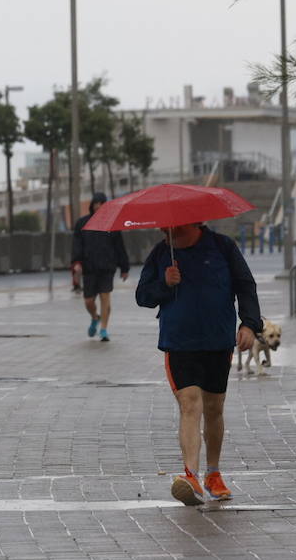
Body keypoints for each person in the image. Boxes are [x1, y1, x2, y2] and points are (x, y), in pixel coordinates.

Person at [135, 222, 261, 505]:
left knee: (214, 408)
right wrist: (164, 284)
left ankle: (213, 474)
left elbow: (245, 286)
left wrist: (250, 325)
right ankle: (190, 476)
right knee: (190, 403)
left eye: (170, 226)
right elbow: (143, 297)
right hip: (179, 342)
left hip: (217, 340)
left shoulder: (222, 247)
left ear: (191, 222)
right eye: (161, 227)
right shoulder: (160, 254)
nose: (163, 230)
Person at [71, 192, 130, 342]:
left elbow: (119, 246)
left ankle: (104, 329)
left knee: (105, 297)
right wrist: (77, 263)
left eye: (102, 203)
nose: (99, 206)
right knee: (88, 301)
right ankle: (95, 317)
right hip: (89, 268)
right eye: (96, 203)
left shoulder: (112, 223)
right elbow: (77, 245)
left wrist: (124, 267)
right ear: (92, 204)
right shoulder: (82, 223)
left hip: (107, 267)